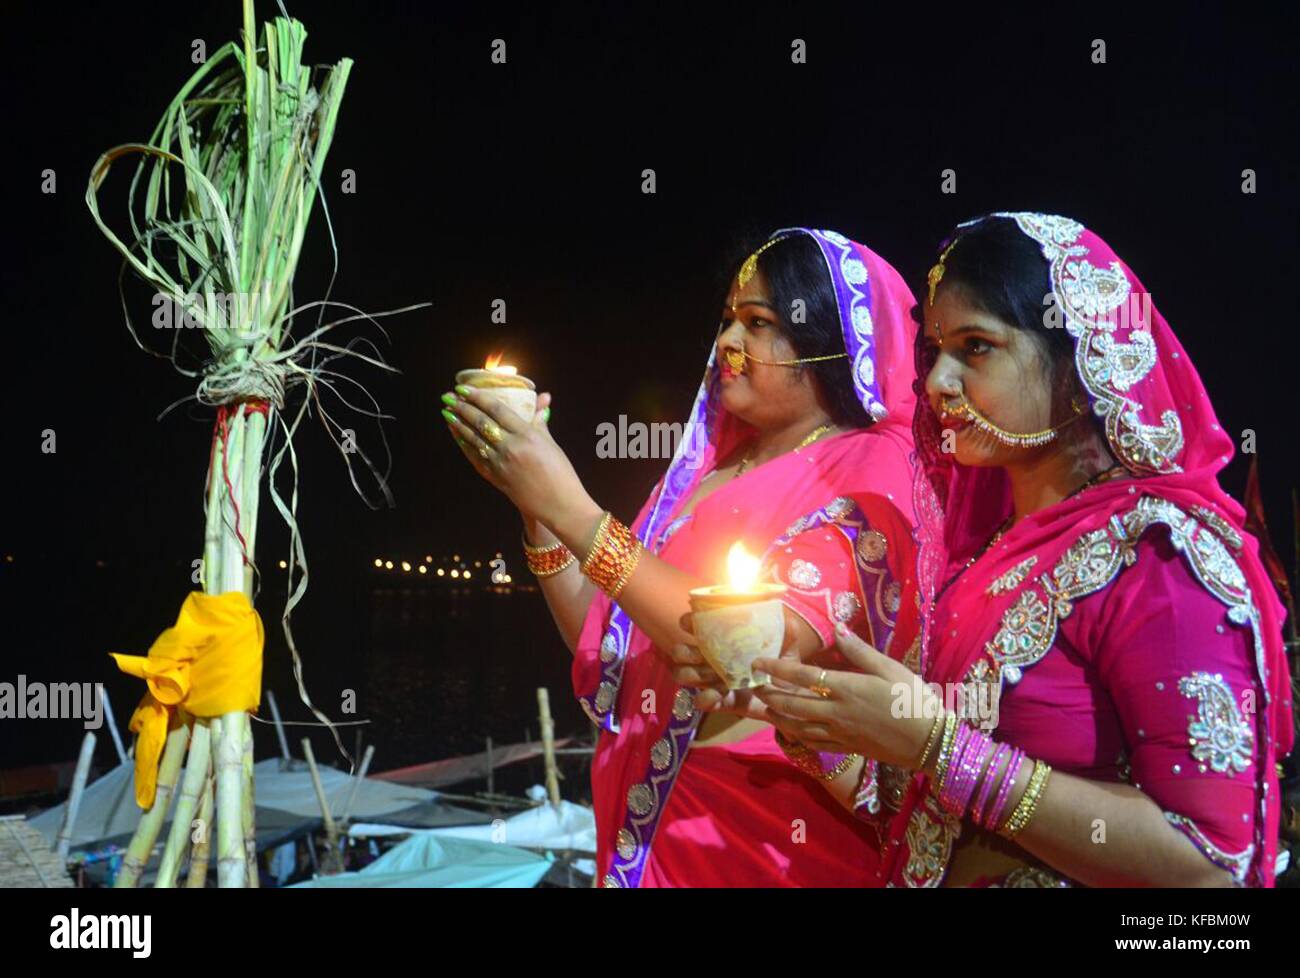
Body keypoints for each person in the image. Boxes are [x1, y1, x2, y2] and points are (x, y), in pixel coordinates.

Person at [713, 214, 1293, 886]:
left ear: (1079, 362)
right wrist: (824, 726)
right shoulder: (983, 563)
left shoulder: (1161, 559)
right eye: (936, 351)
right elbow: (930, 815)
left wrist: (938, 747)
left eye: (976, 347)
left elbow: (1212, 867)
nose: (937, 383)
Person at [441, 228, 920, 886]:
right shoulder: (712, 475)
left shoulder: (870, 469)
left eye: (758, 323)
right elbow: (607, 638)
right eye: (727, 320)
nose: (726, 343)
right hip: (648, 826)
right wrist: (539, 512)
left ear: (833, 344)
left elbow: (754, 654)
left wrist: (574, 508)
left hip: (758, 843)